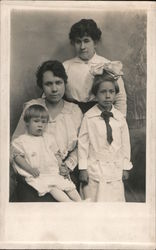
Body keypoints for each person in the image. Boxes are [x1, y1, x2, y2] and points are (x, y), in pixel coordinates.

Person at [12, 60, 83, 199]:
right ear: (42, 86)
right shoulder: (32, 107)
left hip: (63, 172)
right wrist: (27, 169)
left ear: (65, 83)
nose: (54, 89)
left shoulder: (74, 111)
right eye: (48, 84)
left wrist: (67, 166)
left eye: (58, 82)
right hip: (33, 173)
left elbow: (81, 146)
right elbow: (15, 143)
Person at [78, 64, 133, 202]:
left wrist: (125, 167)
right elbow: (83, 144)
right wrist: (83, 168)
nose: (107, 96)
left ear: (115, 93)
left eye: (111, 92)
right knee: (95, 200)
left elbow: (125, 145)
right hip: (94, 168)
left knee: (114, 201)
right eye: (103, 92)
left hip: (114, 168)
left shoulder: (119, 118)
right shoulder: (89, 117)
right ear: (96, 94)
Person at [11, 104, 81, 202]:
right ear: (27, 122)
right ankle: (69, 203)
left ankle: (80, 202)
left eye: (43, 122)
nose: (40, 125)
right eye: (36, 121)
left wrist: (61, 165)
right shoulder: (21, 141)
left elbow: (56, 154)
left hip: (52, 170)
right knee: (52, 187)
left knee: (68, 185)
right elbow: (17, 157)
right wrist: (29, 169)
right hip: (38, 174)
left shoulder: (48, 138)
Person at [63, 19, 127, 115]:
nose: (82, 47)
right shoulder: (65, 66)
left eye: (86, 41)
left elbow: (120, 98)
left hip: (100, 116)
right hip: (72, 115)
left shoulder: (108, 65)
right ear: (73, 43)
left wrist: (119, 122)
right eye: (78, 42)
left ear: (95, 43)